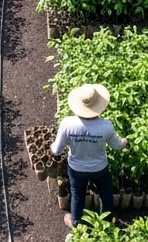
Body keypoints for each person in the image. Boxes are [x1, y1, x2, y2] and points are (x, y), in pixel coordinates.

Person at [52, 84, 128, 229]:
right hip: (99, 168)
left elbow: (56, 150)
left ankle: (76, 223)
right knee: (105, 192)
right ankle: (109, 221)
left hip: (77, 168)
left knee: (78, 194)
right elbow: (117, 146)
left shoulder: (68, 124)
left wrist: (50, 148)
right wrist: (124, 142)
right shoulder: (105, 126)